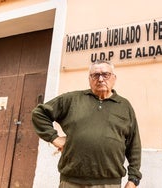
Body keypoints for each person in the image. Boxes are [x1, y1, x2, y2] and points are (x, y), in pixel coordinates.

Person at [32, 60, 142, 188]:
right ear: (89, 79)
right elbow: (39, 113)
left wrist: (133, 179)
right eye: (95, 75)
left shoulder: (124, 106)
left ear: (114, 78)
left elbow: (134, 144)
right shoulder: (72, 100)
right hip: (71, 182)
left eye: (105, 74)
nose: (100, 79)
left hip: (109, 183)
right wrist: (54, 138)